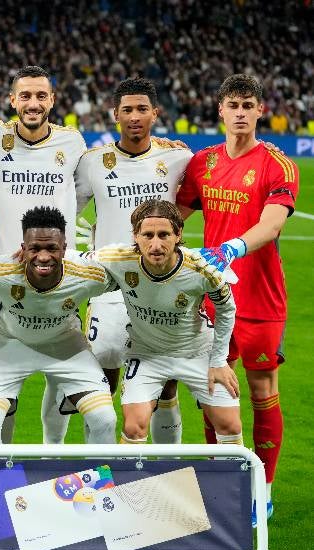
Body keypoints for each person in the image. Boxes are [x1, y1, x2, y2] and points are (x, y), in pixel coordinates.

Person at [177, 74, 300, 524]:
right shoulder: (203, 162)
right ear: (221, 110)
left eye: (249, 105)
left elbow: (272, 224)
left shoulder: (278, 165)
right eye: (234, 105)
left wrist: (233, 247)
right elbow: (174, 216)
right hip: (213, 299)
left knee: (262, 390)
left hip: (261, 299)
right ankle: (222, 483)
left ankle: (262, 491)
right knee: (213, 391)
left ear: (260, 110)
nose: (241, 112)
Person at [0, 207, 117, 444]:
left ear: (64, 248)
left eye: (51, 248)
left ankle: (93, 470)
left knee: (105, 419)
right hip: (10, 344)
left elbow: (129, 276)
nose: (43, 257)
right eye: (35, 248)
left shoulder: (89, 275)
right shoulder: (0, 271)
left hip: (66, 346)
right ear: (23, 248)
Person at [0, 66, 87, 444]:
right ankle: (2, 458)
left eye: (40, 96)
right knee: (1, 380)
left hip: (60, 276)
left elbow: (83, 192)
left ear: (52, 100)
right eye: (25, 96)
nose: (33, 103)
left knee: (61, 371)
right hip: (5, 276)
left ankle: (53, 449)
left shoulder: (72, 142)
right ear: (12, 100)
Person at [75, 77, 193, 443]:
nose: (134, 116)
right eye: (127, 109)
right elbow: (64, 209)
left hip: (161, 286)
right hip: (110, 286)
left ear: (155, 113)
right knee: (101, 381)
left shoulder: (178, 158)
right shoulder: (93, 162)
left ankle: (164, 465)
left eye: (142, 109)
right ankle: (100, 464)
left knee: (166, 384)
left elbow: (202, 194)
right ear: (115, 115)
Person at [94, 200, 241, 450]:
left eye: (164, 235)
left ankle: (235, 478)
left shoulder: (202, 269)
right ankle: (129, 477)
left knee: (230, 425)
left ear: (178, 234)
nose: (155, 245)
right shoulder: (117, 258)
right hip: (147, 354)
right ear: (135, 235)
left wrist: (218, 360)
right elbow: (74, 262)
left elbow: (227, 308)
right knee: (134, 426)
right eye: (147, 235)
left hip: (197, 352)